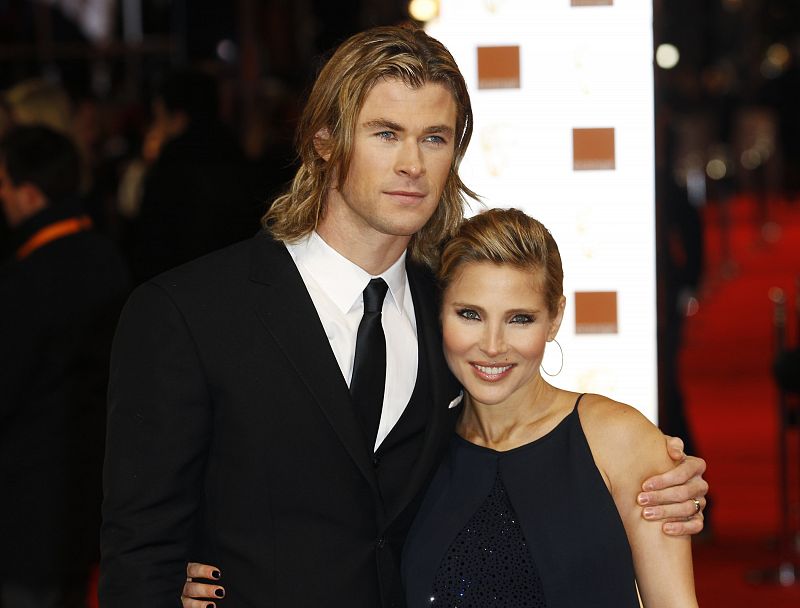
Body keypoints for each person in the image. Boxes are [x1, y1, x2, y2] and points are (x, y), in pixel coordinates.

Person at [101, 26, 707, 608]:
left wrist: (658, 482)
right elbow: (139, 548)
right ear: (326, 141)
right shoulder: (189, 312)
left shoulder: (453, 317)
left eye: (434, 138)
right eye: (386, 134)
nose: (412, 163)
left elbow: (523, 448)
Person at [0, 125, 130, 607]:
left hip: (27, 499)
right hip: (87, 486)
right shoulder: (105, 255)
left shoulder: (28, 280)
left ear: (30, 194)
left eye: (5, 185)